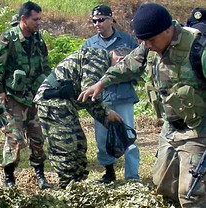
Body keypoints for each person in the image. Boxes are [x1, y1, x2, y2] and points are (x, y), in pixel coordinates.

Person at [78, 2, 206, 207]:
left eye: (151, 40)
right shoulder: (149, 45)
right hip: (171, 128)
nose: (147, 45)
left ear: (167, 30)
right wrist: (101, 83)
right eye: (143, 41)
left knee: (192, 194)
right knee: (163, 185)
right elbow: (128, 64)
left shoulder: (198, 48)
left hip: (198, 130)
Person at [33, 47, 128, 189]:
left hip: (65, 105)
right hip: (52, 103)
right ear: (120, 60)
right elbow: (88, 92)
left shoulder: (101, 59)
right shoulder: (99, 59)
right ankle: (67, 189)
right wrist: (107, 113)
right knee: (66, 147)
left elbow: (88, 98)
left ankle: (78, 185)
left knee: (79, 145)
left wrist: (106, 118)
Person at [0, 1, 51, 189]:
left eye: (40, 19)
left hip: (33, 97)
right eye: (35, 19)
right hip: (13, 97)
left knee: (37, 137)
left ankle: (40, 174)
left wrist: (46, 88)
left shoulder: (38, 40)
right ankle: (9, 177)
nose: (39, 23)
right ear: (23, 19)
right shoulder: (8, 38)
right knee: (15, 138)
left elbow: (45, 66)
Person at [82, 5, 140, 183]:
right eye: (94, 21)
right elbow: (85, 70)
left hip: (122, 96)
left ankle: (132, 176)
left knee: (128, 135)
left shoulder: (127, 40)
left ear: (111, 19)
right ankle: (109, 172)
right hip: (101, 98)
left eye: (101, 20)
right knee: (102, 138)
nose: (97, 24)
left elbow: (138, 65)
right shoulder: (89, 44)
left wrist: (120, 74)